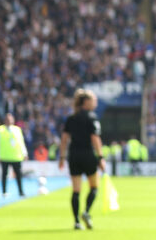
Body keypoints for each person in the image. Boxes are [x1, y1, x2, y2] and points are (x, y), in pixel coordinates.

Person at [59, 89, 106, 230]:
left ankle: (76, 222)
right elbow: (95, 138)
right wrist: (101, 157)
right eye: (94, 100)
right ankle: (86, 212)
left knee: (76, 190)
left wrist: (62, 157)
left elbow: (64, 139)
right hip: (87, 155)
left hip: (73, 156)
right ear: (86, 102)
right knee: (94, 187)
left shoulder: (71, 118)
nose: (95, 103)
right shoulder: (92, 118)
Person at [0, 112, 27, 198]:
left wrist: (24, 153)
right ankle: (4, 191)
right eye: (7, 119)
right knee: (4, 175)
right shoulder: (0, 130)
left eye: (10, 119)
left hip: (16, 156)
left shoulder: (17, 129)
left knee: (18, 175)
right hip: (5, 157)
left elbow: (21, 142)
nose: (9, 121)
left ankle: (21, 191)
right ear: (4, 120)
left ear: (13, 120)